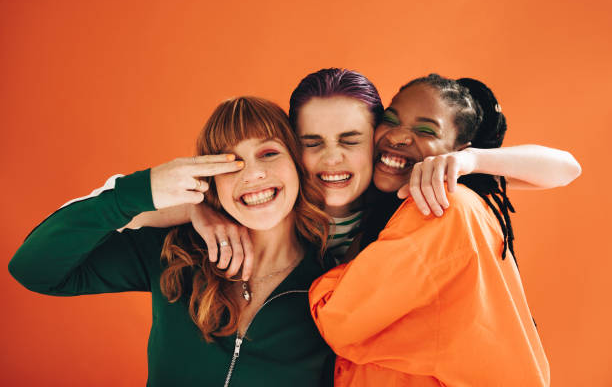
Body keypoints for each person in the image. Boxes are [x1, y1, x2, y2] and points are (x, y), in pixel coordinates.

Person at [9, 97, 334, 387]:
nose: (252, 174)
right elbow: (33, 267)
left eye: (269, 153)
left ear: (296, 163)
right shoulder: (177, 253)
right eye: (230, 163)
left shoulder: (331, 288)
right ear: (212, 183)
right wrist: (151, 193)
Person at [128, 68, 580, 271]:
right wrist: (200, 209)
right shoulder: (268, 203)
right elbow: (117, 208)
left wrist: (469, 160)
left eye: (350, 141)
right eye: (311, 143)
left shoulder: (408, 198)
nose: (332, 159)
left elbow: (566, 168)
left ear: (372, 139)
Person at [309, 74, 551, 386]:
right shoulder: (373, 193)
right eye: (391, 119)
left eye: (425, 130)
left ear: (456, 149)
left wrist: (471, 160)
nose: (398, 136)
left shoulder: (439, 206)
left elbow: (338, 320)